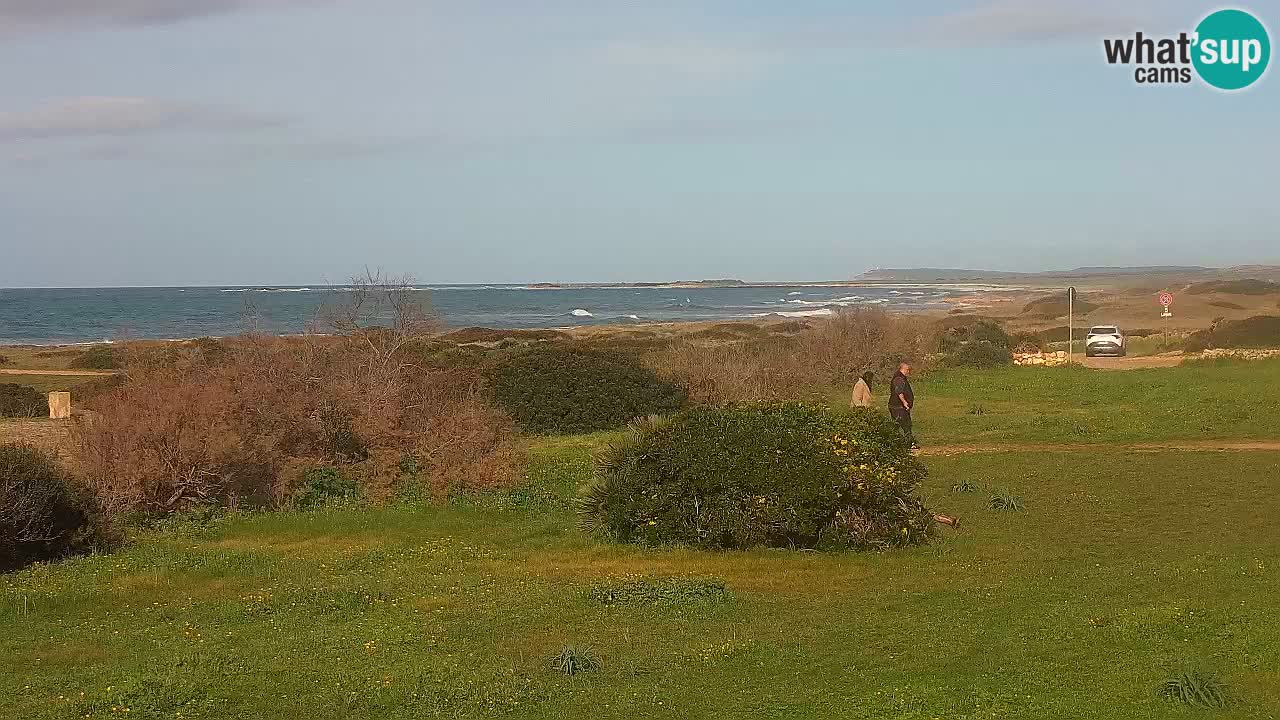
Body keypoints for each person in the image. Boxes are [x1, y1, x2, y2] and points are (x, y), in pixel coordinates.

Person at [888, 361, 919, 449]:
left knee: (899, 425)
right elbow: (899, 391)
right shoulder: (899, 379)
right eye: (908, 370)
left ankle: (898, 443)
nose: (909, 372)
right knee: (905, 425)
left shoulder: (900, 377)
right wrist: (905, 402)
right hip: (898, 407)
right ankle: (908, 444)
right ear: (903, 369)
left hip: (897, 406)